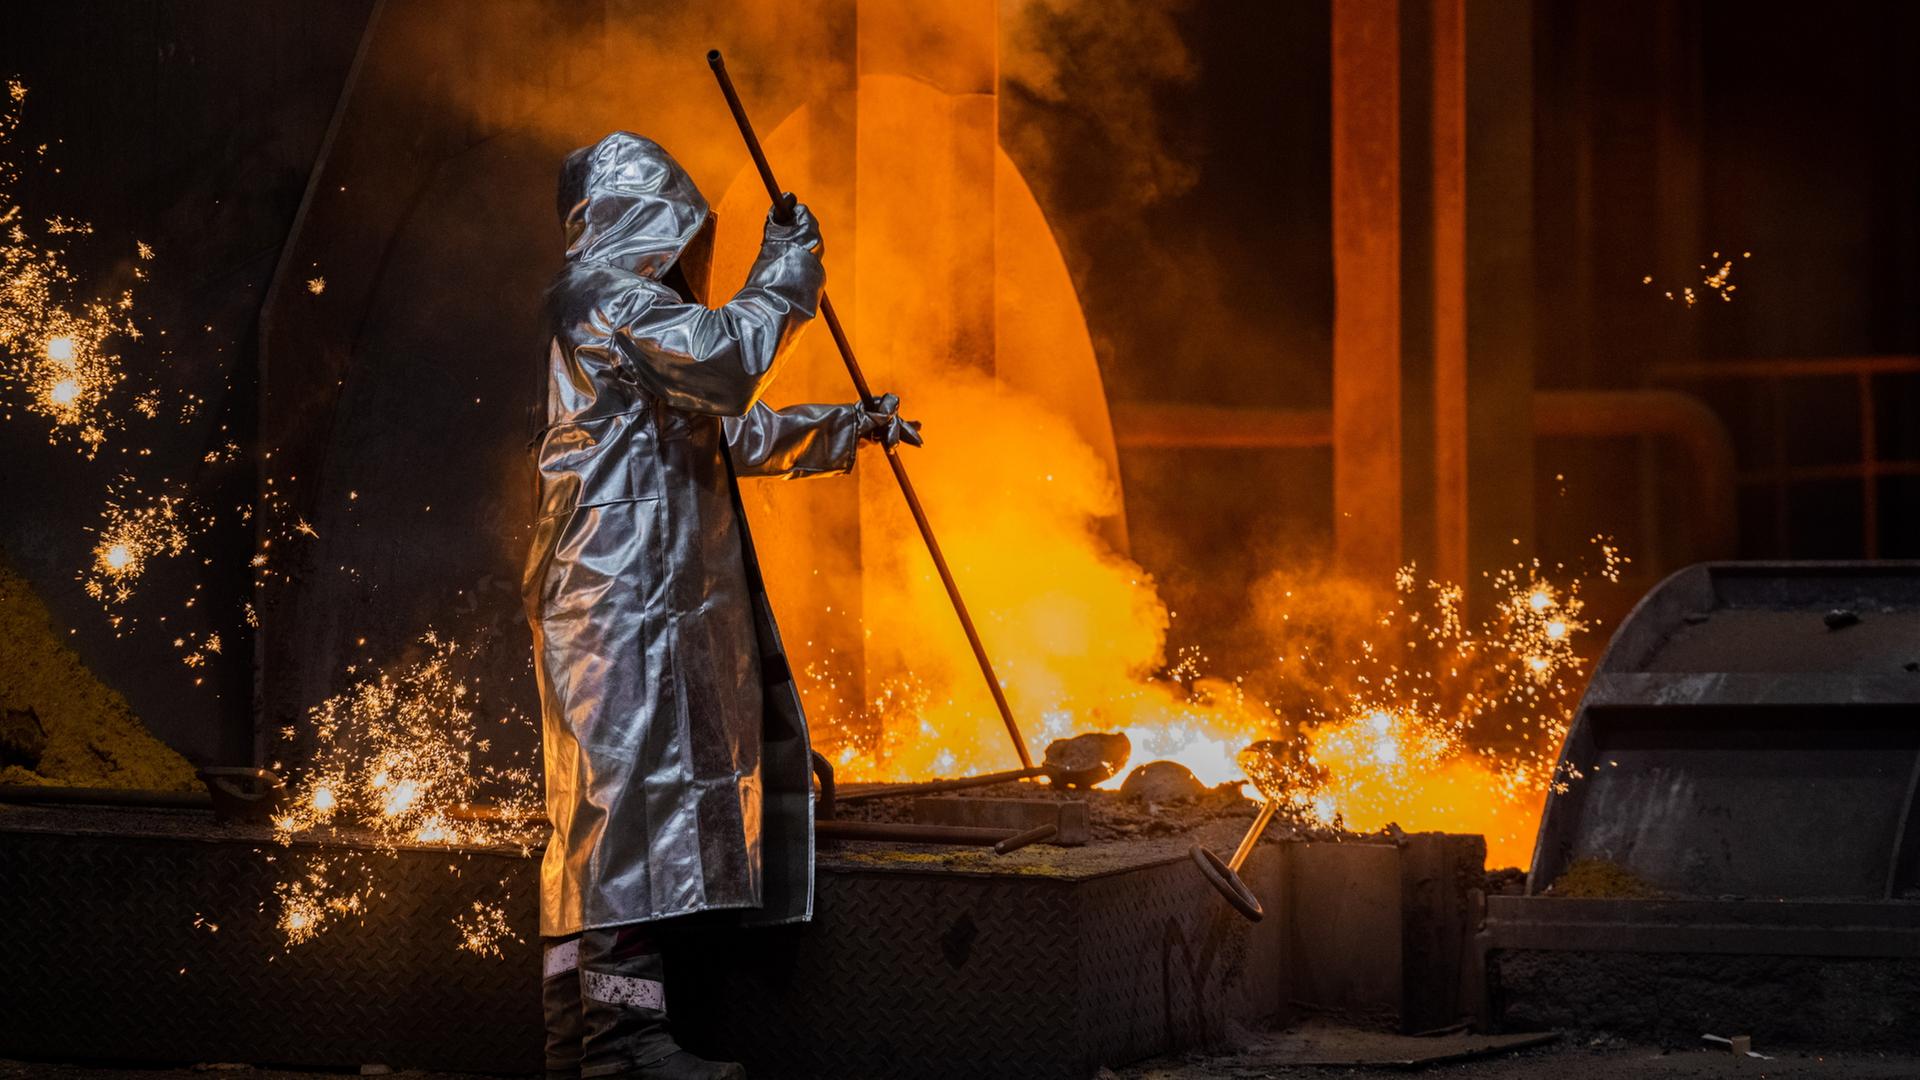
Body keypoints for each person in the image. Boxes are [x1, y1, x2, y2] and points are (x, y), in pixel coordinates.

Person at [524, 131, 920, 1080]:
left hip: (637, 599)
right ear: (645, 223)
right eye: (683, 234)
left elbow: (732, 431)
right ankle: (618, 1047)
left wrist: (846, 428)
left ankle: (583, 1044)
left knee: (611, 823)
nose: (690, 257)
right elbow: (732, 355)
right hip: (615, 600)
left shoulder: (630, 323)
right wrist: (786, 269)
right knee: (616, 824)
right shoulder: (599, 298)